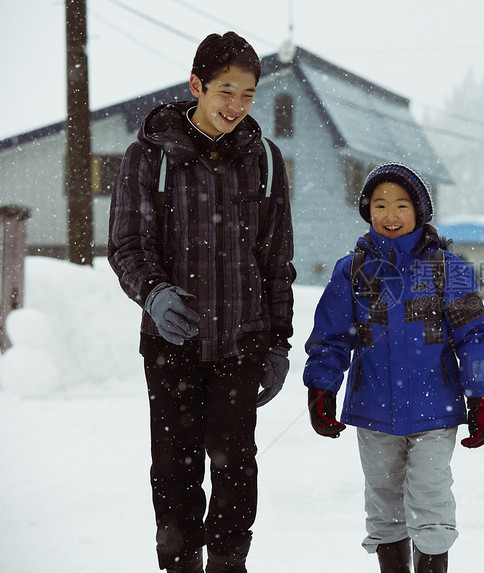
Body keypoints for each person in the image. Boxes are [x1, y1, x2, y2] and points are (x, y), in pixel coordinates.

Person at [108, 32, 295, 573]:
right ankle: (180, 563)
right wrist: (154, 293)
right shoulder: (149, 157)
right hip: (172, 346)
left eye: (249, 94)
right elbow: (127, 244)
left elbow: (276, 257)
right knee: (174, 472)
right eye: (225, 91)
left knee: (237, 471)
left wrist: (278, 343)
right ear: (197, 86)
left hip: (241, 343)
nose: (236, 106)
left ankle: (229, 566)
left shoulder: (264, 161)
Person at [302, 163, 484, 573]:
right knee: (383, 499)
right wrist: (322, 387)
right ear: (368, 212)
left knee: (430, 493)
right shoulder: (352, 271)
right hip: (373, 408)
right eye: (380, 205)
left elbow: (475, 336)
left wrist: (483, 397)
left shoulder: (448, 269)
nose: (390, 216)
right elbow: (332, 336)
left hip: (436, 407)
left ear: (420, 211)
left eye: (401, 205)